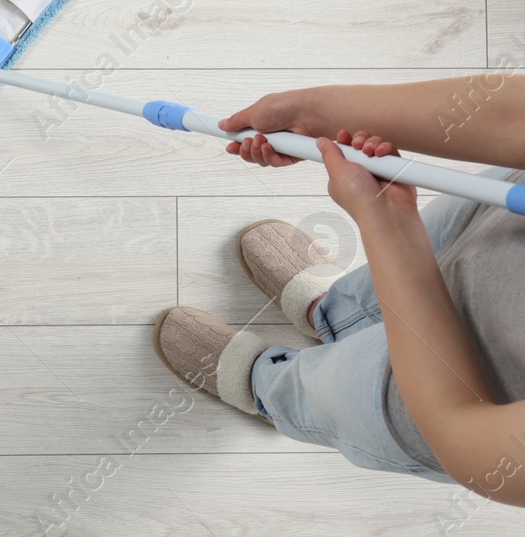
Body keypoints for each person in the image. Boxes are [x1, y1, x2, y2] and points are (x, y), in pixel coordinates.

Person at [153, 76, 525, 506]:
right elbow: (515, 115)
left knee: (341, 391)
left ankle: (270, 387)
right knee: (445, 245)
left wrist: (388, 225)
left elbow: (466, 438)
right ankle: (335, 313)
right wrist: (314, 110)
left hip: (467, 388)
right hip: (495, 224)